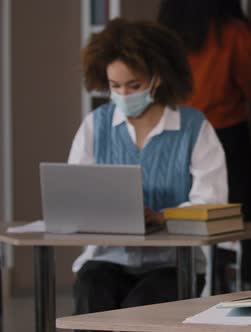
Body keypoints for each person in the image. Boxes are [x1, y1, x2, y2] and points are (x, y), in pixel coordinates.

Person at [69, 18, 228, 317]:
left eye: (134, 85)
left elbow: (212, 202)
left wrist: (161, 217)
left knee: (142, 307)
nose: (124, 95)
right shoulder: (95, 125)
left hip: (173, 263)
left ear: (158, 77)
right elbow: (74, 193)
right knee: (91, 289)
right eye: (115, 86)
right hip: (108, 259)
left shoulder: (194, 128)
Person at [158, 0, 251, 291]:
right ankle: (244, 285)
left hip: (176, 134)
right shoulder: (231, 32)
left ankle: (196, 281)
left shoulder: (165, 33)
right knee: (242, 219)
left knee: (185, 213)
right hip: (228, 133)